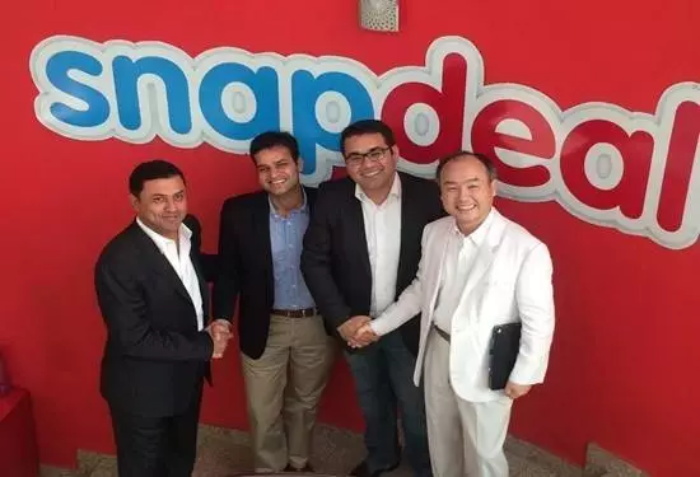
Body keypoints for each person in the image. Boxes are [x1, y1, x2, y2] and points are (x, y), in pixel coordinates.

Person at [353, 152, 556, 477]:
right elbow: (420, 290)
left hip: (487, 361)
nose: (463, 197)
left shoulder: (526, 248)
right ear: (441, 194)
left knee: (483, 454)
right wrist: (378, 327)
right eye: (451, 187)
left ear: (492, 188)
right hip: (438, 349)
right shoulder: (435, 232)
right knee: (441, 442)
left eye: (473, 185)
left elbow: (539, 320)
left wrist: (525, 373)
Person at [301, 119, 443, 477]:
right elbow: (314, 261)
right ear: (346, 163)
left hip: (409, 324)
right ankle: (382, 457)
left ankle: (424, 467)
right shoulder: (332, 197)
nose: (366, 164)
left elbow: (440, 265)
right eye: (355, 157)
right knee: (371, 400)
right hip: (356, 325)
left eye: (375, 153)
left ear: (394, 153)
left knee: (415, 406)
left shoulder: (427, 196)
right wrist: (341, 319)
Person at [94, 159, 232, 477]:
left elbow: (186, 274)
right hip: (143, 394)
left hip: (186, 381)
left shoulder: (189, 229)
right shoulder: (119, 261)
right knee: (144, 470)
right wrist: (205, 345)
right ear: (135, 203)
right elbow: (134, 339)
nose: (172, 208)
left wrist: (238, 263)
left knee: (180, 463)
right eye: (159, 199)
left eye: (178, 196)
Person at [212, 132, 335, 473]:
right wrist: (221, 318)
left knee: (305, 403)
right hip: (264, 324)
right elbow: (228, 272)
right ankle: (269, 469)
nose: (273, 174)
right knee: (262, 409)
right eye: (263, 168)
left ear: (299, 164)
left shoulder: (327, 204)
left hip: (317, 323)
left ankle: (297, 463)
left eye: (281, 164)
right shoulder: (238, 211)